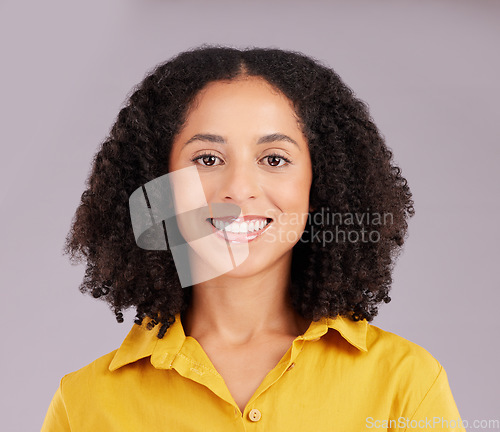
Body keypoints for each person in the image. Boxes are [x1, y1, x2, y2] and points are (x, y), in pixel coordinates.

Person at [42, 46, 465, 431]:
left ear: (320, 189)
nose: (239, 188)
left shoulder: (405, 382)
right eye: (208, 159)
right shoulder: (83, 404)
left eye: (274, 159)